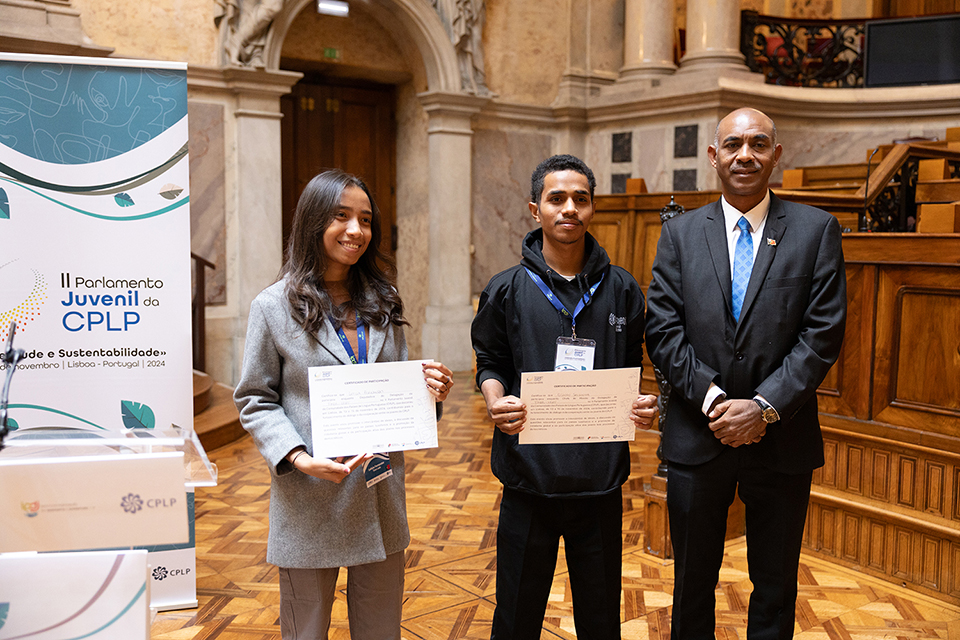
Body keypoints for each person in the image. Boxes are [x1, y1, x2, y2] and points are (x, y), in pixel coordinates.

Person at [644, 108, 847, 640]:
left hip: (781, 439)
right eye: (732, 143)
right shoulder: (680, 235)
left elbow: (821, 334)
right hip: (697, 434)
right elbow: (663, 331)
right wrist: (714, 401)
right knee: (691, 583)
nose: (745, 154)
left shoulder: (815, 230)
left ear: (776, 155)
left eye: (759, 143)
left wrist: (763, 407)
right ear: (713, 156)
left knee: (775, 584)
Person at [234, 169, 454, 640]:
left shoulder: (384, 301)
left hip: (378, 494)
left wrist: (427, 392)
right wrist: (297, 457)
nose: (356, 231)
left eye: (366, 219)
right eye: (341, 216)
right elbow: (255, 398)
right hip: (311, 495)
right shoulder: (272, 307)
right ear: (314, 222)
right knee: (305, 630)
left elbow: (397, 386)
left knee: (380, 631)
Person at [471, 154, 659, 640]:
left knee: (600, 620)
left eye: (581, 198)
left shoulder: (621, 290)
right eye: (557, 199)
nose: (569, 208)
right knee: (516, 616)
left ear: (593, 208)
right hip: (528, 480)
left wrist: (641, 400)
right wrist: (495, 400)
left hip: (599, 482)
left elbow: (635, 362)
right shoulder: (506, 288)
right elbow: (489, 362)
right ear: (536, 209)